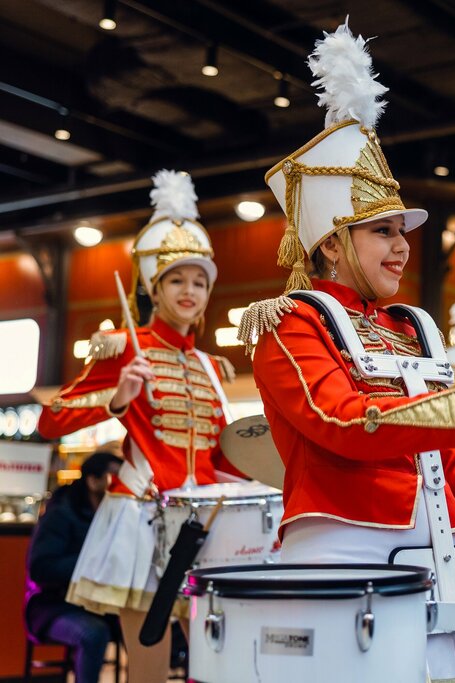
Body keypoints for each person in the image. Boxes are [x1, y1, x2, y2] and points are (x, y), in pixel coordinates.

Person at [238, 23, 455, 683]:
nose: (401, 247)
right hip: (347, 557)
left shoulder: (408, 329)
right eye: (382, 232)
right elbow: (341, 422)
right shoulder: (292, 325)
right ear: (333, 244)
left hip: (439, 558)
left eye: (402, 231)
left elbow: (447, 467)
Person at [37, 170, 240, 683]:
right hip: (140, 522)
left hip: (205, 526)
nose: (189, 291)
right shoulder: (125, 348)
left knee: (214, 660)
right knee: (148, 662)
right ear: (154, 286)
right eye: (176, 279)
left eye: (199, 280)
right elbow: (49, 420)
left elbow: (218, 458)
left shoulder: (214, 367)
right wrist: (117, 399)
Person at [24, 450, 123, 683]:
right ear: (93, 481)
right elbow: (40, 568)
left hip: (99, 606)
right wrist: (93, 564)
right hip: (52, 607)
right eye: (115, 478)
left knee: (144, 625)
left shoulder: (115, 516)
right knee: (93, 633)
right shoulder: (62, 512)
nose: (122, 485)